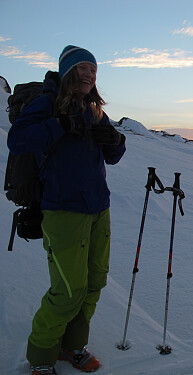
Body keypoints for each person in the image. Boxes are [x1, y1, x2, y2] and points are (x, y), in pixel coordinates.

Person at [7, 45, 126, 375]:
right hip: (63, 212)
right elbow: (17, 140)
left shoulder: (94, 109)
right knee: (68, 290)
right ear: (67, 71)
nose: (89, 74)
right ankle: (42, 359)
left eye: (94, 70)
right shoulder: (46, 104)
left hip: (99, 209)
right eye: (83, 68)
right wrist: (60, 125)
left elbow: (112, 157)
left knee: (94, 283)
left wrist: (115, 142)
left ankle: (73, 346)